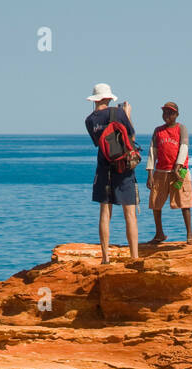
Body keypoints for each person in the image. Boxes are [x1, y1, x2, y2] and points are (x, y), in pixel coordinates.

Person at [84, 82, 139, 263]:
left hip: (104, 168)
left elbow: (100, 143)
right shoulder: (119, 113)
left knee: (105, 213)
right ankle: (134, 257)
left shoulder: (89, 120)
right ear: (108, 98)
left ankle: (105, 257)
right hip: (123, 167)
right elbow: (131, 137)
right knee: (129, 214)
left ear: (95, 100)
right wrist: (128, 115)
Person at [145, 102, 192, 244]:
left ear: (176, 115)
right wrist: (150, 173)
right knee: (155, 202)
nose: (167, 115)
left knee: (184, 201)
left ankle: (189, 234)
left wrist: (178, 167)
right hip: (161, 171)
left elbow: (184, 147)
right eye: (165, 112)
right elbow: (152, 152)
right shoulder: (158, 131)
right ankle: (159, 233)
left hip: (180, 172)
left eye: (170, 113)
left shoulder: (181, 129)